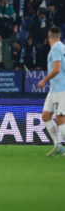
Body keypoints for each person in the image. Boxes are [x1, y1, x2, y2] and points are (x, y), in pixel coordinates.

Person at [37, 26, 65, 156]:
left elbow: (57, 69)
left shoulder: (56, 48)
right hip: (54, 89)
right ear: (59, 36)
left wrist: (44, 80)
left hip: (60, 89)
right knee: (46, 116)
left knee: (60, 118)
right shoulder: (61, 47)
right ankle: (58, 145)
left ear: (48, 36)